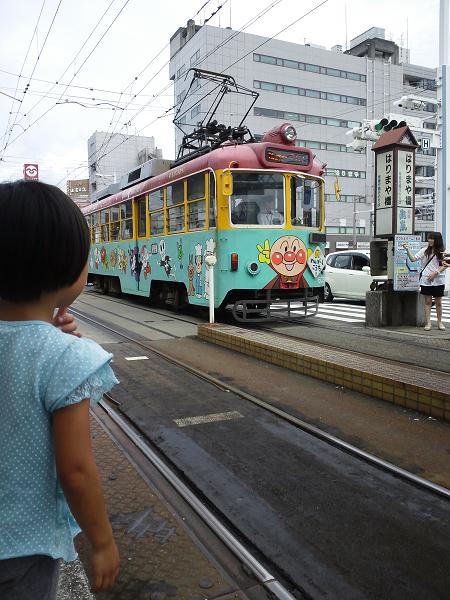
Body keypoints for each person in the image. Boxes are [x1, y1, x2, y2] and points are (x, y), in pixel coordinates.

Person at [0, 180, 120, 599]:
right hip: (23, 546)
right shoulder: (64, 357)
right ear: (68, 270)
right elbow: (76, 469)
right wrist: (102, 541)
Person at [403, 232, 449, 331]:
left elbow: (445, 265)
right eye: (429, 238)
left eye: (432, 238)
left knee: (438, 302)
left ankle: (440, 322)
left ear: (437, 240)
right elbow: (413, 259)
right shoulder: (424, 250)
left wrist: (435, 273)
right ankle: (428, 323)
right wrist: (408, 250)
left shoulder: (443, 251)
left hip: (438, 280)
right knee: (427, 302)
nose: (430, 240)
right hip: (426, 280)